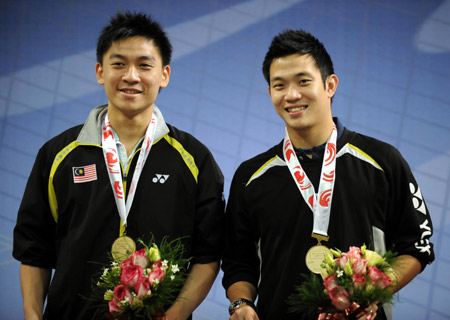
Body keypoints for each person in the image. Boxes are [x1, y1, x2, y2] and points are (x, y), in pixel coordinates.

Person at [13, 11, 225, 320]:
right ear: (100, 72)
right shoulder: (58, 154)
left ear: (164, 75)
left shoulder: (194, 159)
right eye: (118, 64)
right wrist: (32, 315)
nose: (131, 76)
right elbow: (35, 250)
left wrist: (176, 315)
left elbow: (208, 255)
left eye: (144, 64)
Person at [221, 29, 434, 320]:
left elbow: (417, 246)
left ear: (330, 84)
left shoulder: (383, 161)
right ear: (270, 92)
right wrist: (241, 304)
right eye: (279, 85)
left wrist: (374, 293)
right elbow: (238, 262)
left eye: (303, 81)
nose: (292, 95)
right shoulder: (250, 176)